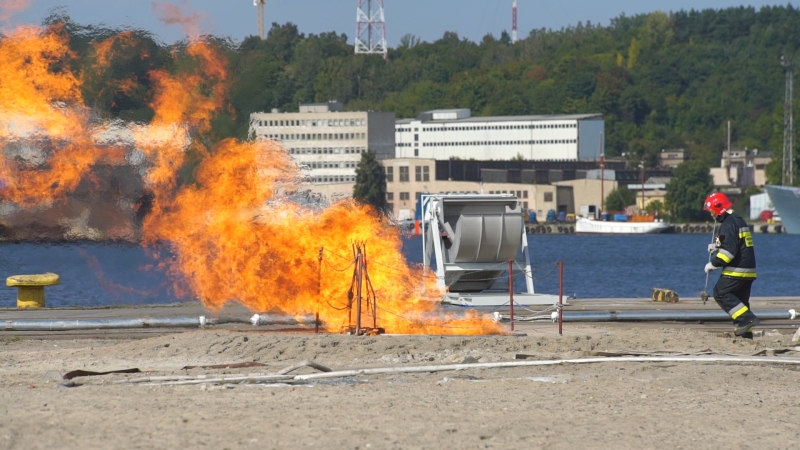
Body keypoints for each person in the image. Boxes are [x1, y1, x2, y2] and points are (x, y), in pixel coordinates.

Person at [703, 192, 759, 338]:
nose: (711, 214)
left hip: (737, 269)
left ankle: (747, 318)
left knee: (721, 293)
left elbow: (728, 252)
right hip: (749, 269)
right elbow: (735, 243)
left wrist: (713, 263)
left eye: (711, 211)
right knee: (740, 301)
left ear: (718, 208)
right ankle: (745, 334)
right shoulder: (738, 220)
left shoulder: (728, 224)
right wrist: (716, 246)